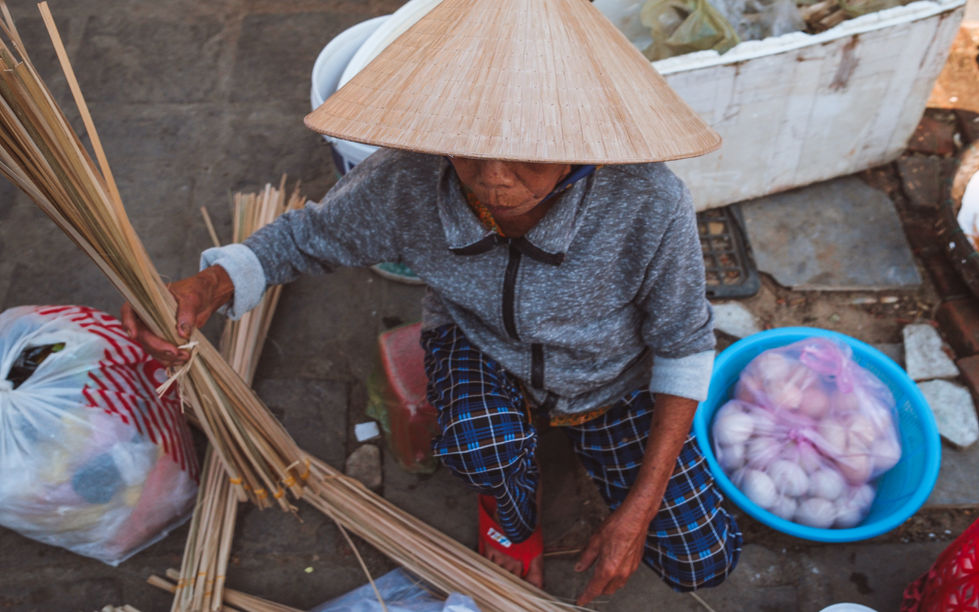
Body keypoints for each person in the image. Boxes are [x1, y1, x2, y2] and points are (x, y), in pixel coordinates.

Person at [122, 0, 742, 605]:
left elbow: (683, 346)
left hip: (610, 378)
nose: (493, 178)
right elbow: (309, 236)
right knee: (482, 447)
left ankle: (577, 446)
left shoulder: (648, 200)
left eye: (526, 152)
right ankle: (510, 503)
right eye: (470, 145)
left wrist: (637, 511)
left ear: (582, 140)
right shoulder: (410, 179)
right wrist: (211, 286)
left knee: (700, 559)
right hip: (481, 344)